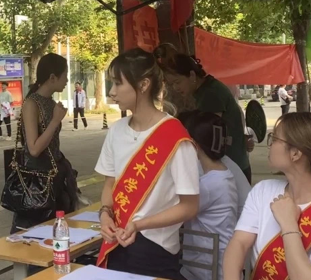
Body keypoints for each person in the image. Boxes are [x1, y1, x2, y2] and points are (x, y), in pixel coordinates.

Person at [95, 48, 200, 280]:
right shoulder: (116, 131)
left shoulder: (175, 137)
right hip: (116, 241)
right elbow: (110, 184)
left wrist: (140, 224)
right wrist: (104, 215)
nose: (112, 92)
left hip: (156, 249)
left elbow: (189, 206)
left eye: (118, 83)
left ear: (143, 85)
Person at [223, 113, 311, 280]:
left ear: (295, 153)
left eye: (274, 138)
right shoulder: (262, 190)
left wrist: (289, 225)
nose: (270, 145)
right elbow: (239, 244)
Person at [155, 46, 253, 183]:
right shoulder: (206, 89)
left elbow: (209, 135)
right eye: (172, 84)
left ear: (192, 75)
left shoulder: (210, 94)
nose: (176, 88)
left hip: (231, 166)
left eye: (178, 82)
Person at [11, 53, 79, 233]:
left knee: (58, 229)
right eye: (65, 75)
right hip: (38, 180)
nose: (67, 80)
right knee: (37, 231)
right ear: (52, 77)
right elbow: (34, 149)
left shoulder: (51, 102)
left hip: (55, 174)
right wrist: (55, 121)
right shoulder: (31, 104)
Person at [178, 111, 239, 280]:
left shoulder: (209, 185)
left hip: (208, 269)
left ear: (194, 145)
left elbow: (177, 210)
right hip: (215, 264)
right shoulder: (222, 175)